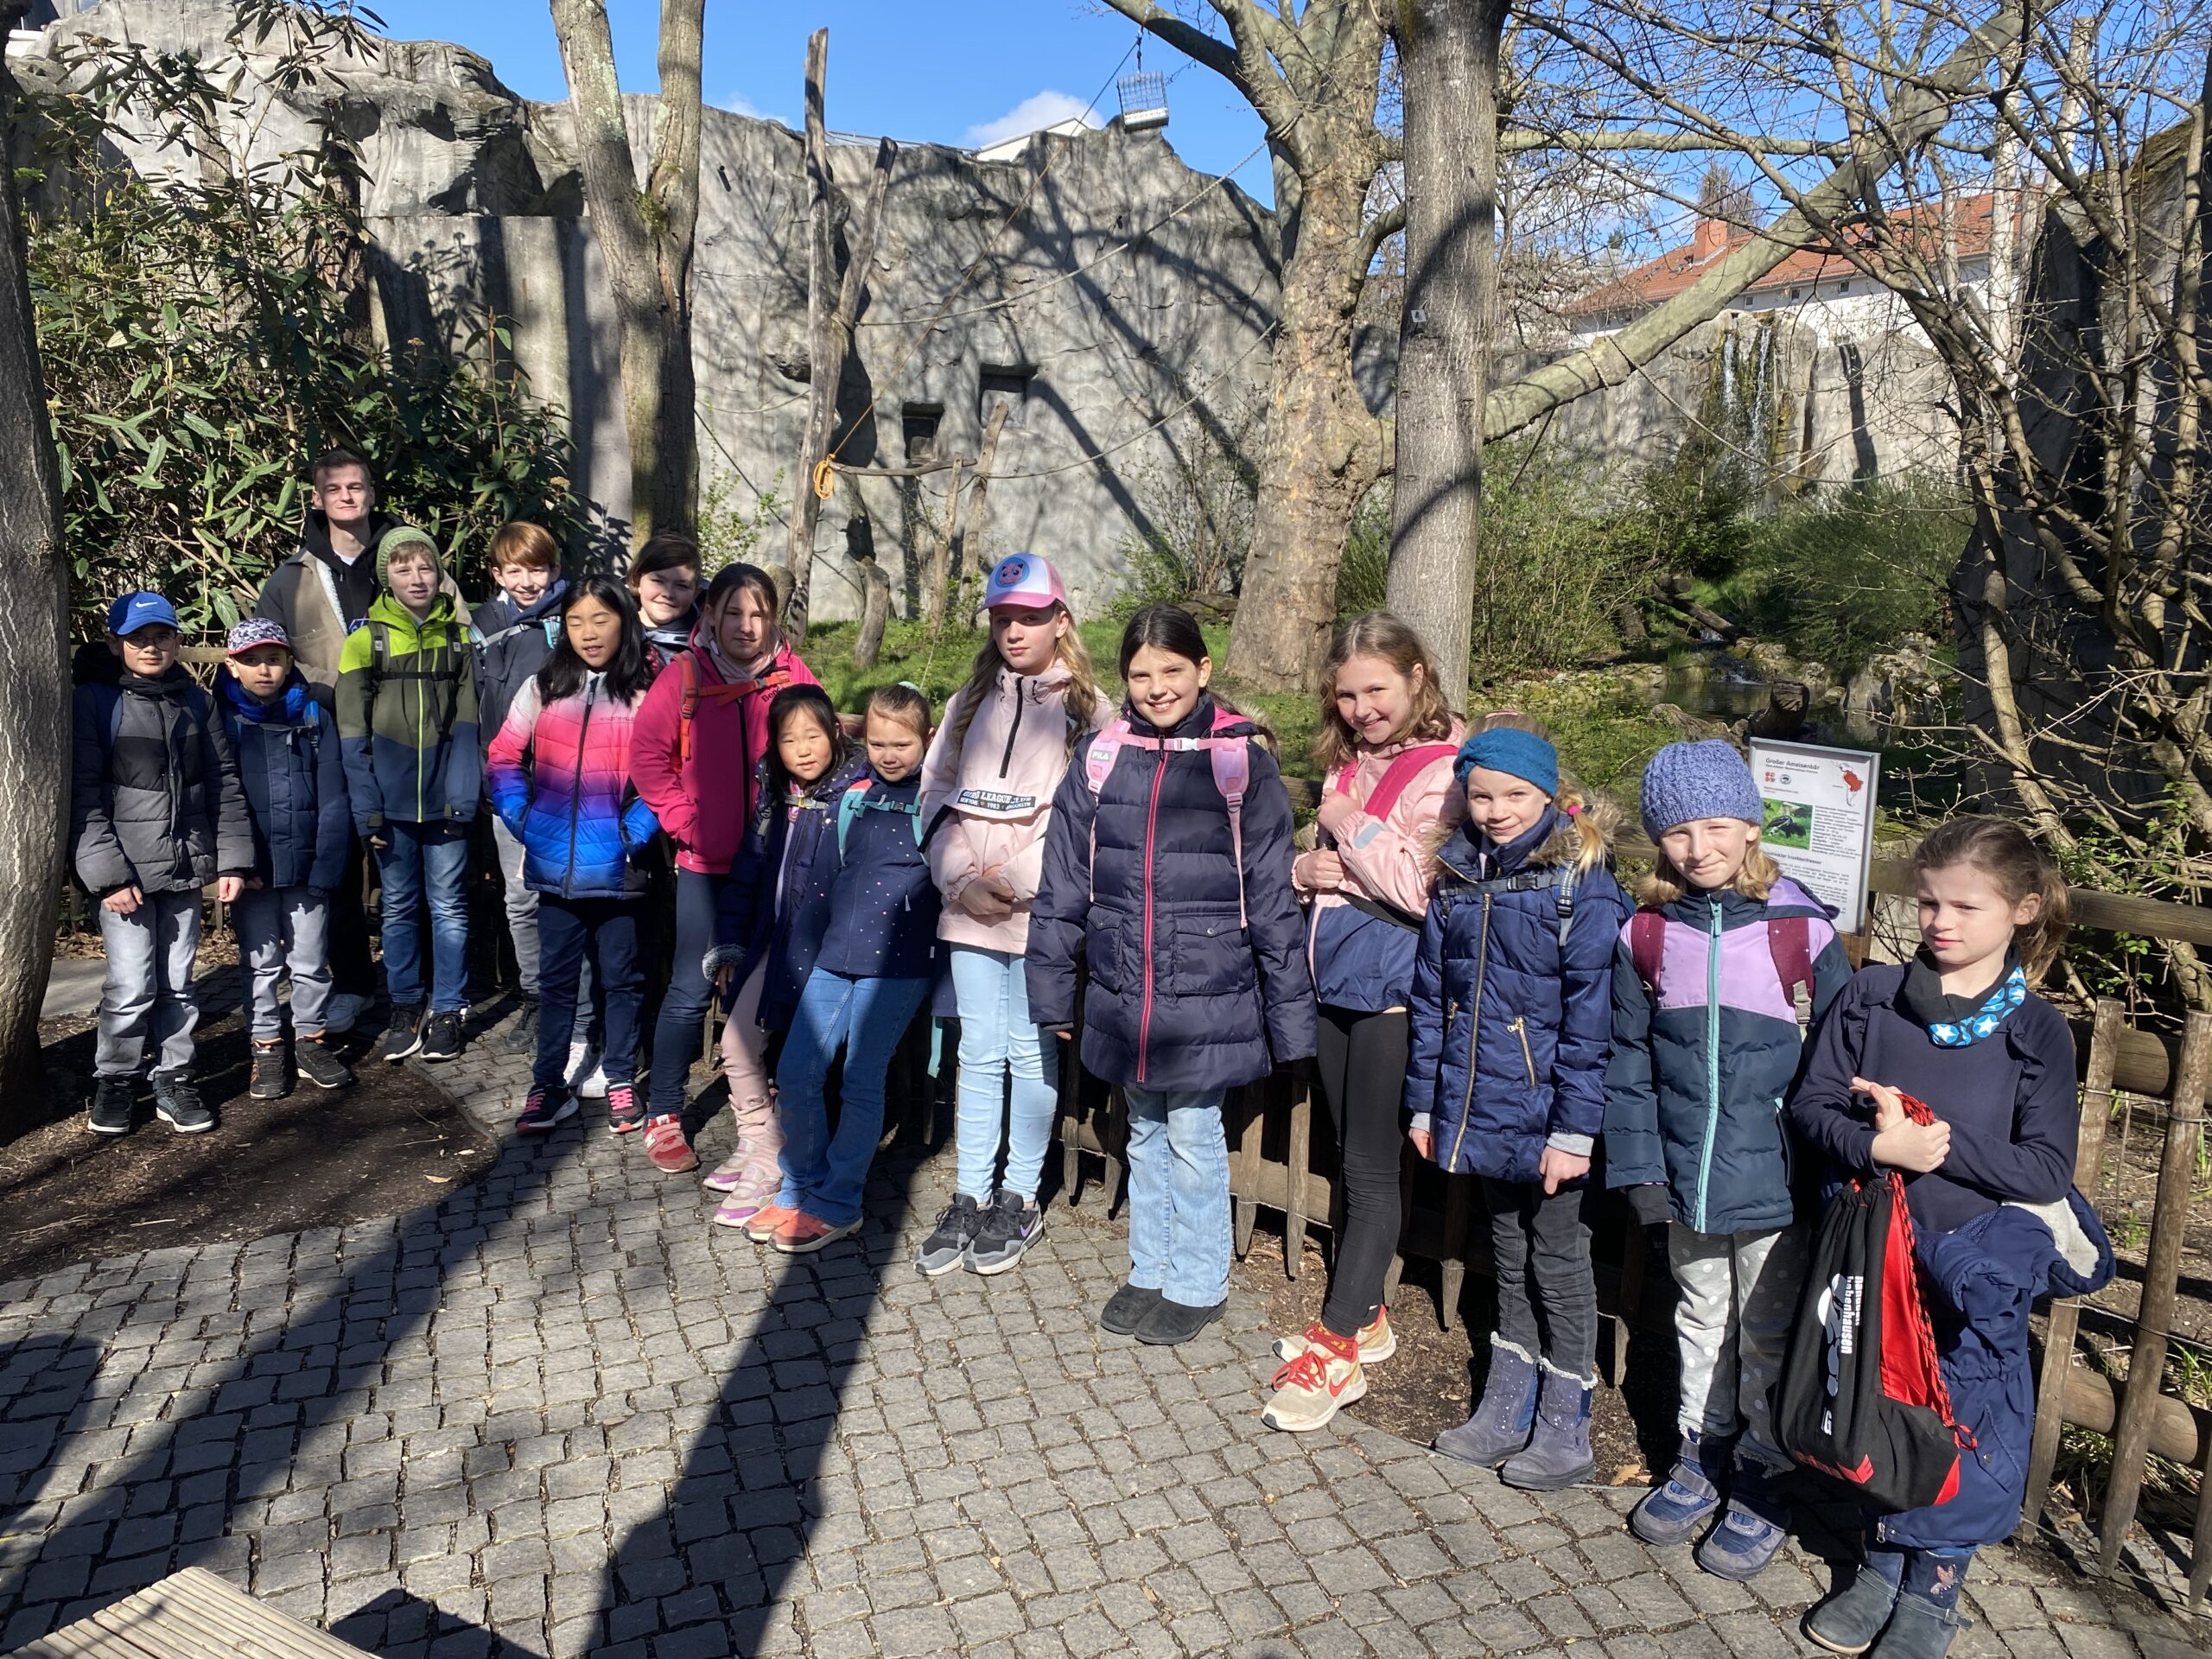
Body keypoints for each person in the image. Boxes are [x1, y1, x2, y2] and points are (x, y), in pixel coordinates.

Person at [1789, 819, 2099, 1659]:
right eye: (1928, 901)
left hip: (1970, 1270)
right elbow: (1811, 1108)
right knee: (1880, 1409)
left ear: (2024, 909)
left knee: (1965, 1423)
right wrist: (1873, 1145)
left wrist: (1934, 1137)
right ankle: (1879, 1564)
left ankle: (1935, 1587)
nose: (1939, 921)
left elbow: (2043, 1168)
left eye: (1965, 905)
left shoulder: (2034, 1032)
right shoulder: (1869, 997)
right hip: (1875, 1254)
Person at [1030, 606, 1313, 1344]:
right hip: (1125, 986)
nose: (1157, 688)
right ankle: (1151, 1267)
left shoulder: (1239, 760)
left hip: (1206, 989)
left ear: (1203, 670)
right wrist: (1053, 989)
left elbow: (1273, 895)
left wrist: (1291, 1022)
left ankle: (1198, 1278)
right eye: (1141, 674)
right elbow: (1061, 882)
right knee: (1145, 1132)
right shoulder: (1101, 756)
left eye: (1173, 671)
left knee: (1192, 1133)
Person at [1602, 740, 1852, 1577]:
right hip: (1683, 1180)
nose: (1697, 846)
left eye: (1715, 825)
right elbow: (1628, 1062)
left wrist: (1830, 1174)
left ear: (1750, 825)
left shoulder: (1799, 931)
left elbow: (1844, 1064)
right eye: (1676, 831)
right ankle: (1702, 1455)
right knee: (1699, 1318)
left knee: (1770, 1333)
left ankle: (1764, 1475)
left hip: (1777, 1190)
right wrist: (1639, 1170)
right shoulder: (1645, 933)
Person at [1412, 718, 1630, 1491]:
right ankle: (1507, 1402)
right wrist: (1424, 1107)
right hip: (1481, 1106)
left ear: (1549, 794)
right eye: (1481, 794)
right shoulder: (1457, 876)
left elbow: (1591, 1019)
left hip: (1550, 1116)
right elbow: (1434, 998)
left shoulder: (1579, 884)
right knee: (1507, 1250)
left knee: (1561, 1263)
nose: (1496, 809)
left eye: (1515, 794)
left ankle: (1565, 1423)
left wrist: (1574, 1130)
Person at [1266, 613, 1465, 1430]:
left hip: (1392, 986)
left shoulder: (1450, 767)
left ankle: (1337, 1346)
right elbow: (1339, 871)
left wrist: (1342, 824)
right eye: (1345, 696)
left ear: (1418, 676)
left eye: (1375, 690)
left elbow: (1420, 889)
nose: (1359, 709)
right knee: (1352, 1156)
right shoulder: (1358, 760)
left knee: (1377, 1173)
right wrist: (1304, 867)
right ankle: (1371, 1318)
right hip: (1338, 976)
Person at [912, 553, 1103, 1278]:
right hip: (966, 907)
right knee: (977, 1051)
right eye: (1001, 617)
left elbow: (1090, 819)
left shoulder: (1089, 712)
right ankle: (970, 1193)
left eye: (1029, 616)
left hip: (1038, 914)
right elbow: (934, 793)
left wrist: (1018, 881)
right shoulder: (968, 702)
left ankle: (1020, 1195)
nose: (1014, 630)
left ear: (1061, 620)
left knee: (1030, 1052)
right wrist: (958, 876)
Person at [712, 687, 927, 1246]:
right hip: (835, 955)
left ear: (927, 741)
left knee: (860, 1078)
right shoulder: (851, 796)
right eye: (877, 742)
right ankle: (798, 1186)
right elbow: (819, 881)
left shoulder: (936, 800)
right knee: (797, 1070)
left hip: (896, 965)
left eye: (902, 742)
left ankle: (840, 1198)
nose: (889, 753)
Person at [630, 563, 819, 1195]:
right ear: (710, 617)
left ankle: (761, 1125)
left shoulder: (792, 677)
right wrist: (686, 821)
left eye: (758, 614)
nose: (746, 626)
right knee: (691, 986)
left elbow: (822, 746)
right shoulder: (686, 677)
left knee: (764, 996)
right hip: (707, 867)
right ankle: (663, 1112)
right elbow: (648, 756)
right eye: (733, 613)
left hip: (778, 864)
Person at [257, 448, 447, 1035]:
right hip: (328, 736)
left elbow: (454, 626)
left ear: (371, 491)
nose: (347, 497)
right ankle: (353, 984)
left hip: (411, 735)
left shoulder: (411, 555)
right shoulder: (292, 577)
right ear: (317, 499)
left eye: (356, 486)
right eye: (334, 489)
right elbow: (270, 653)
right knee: (336, 862)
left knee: (412, 861)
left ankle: (426, 988)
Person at [71, 592, 253, 1135]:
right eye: (137, 638)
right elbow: (83, 794)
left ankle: (175, 1076)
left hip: (184, 866)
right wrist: (107, 875)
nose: (151, 647)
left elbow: (224, 783)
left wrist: (233, 861)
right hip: (124, 876)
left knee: (178, 983)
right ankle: (116, 1081)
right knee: (130, 987)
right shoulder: (96, 704)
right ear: (115, 644)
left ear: (177, 640)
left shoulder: (197, 703)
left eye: (161, 636)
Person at [487, 576, 660, 1137]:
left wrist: (633, 832)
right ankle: (548, 1087)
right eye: (577, 621)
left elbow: (670, 774)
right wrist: (525, 820)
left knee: (622, 980)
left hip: (618, 872)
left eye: (602, 619)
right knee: (557, 984)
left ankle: (619, 1079)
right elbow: (504, 756)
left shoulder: (648, 691)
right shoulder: (544, 687)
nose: (589, 633)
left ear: (625, 621)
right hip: (554, 874)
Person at [697, 685, 866, 1198]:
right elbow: (747, 875)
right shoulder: (774, 797)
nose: (804, 749)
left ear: (835, 735)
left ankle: (787, 1151)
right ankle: (758, 1140)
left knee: (799, 1064)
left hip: (827, 955)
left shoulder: (853, 798)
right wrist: (729, 944)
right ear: (774, 746)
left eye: (813, 735)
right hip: (774, 947)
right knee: (736, 1043)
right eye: (790, 740)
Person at [334, 526, 480, 1065]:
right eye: (403, 569)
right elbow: (352, 735)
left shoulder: (460, 639)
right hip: (389, 807)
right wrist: (365, 806)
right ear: (386, 578)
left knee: (449, 908)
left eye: (426, 567)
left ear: (440, 572)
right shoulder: (365, 640)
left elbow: (470, 728)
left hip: (447, 802)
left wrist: (464, 793)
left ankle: (448, 1008)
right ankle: (403, 1006)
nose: (417, 578)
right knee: (396, 907)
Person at [216, 618, 357, 1101]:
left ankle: (311, 1040)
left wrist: (328, 863)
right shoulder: (221, 720)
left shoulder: (314, 716)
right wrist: (234, 863)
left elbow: (335, 795)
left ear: (288, 662)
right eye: (251, 660)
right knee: (260, 964)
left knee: (312, 961)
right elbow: (218, 797)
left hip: (308, 864)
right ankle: (267, 1046)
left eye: (274, 659)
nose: (264, 669)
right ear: (232, 666)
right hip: (253, 869)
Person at [472, 521, 569, 1061]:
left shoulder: (570, 619)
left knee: (569, 891)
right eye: (516, 570)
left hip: (563, 779)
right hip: (506, 779)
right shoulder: (483, 622)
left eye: (538, 569)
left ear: (554, 569)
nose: (528, 581)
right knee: (519, 895)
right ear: (497, 573)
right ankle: (534, 993)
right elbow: (472, 700)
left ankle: (571, 1001)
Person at [627, 532, 703, 671]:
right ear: (637, 581)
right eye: (658, 581)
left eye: (681, 585)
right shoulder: (614, 631)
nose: (668, 593)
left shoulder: (703, 646)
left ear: (695, 593)